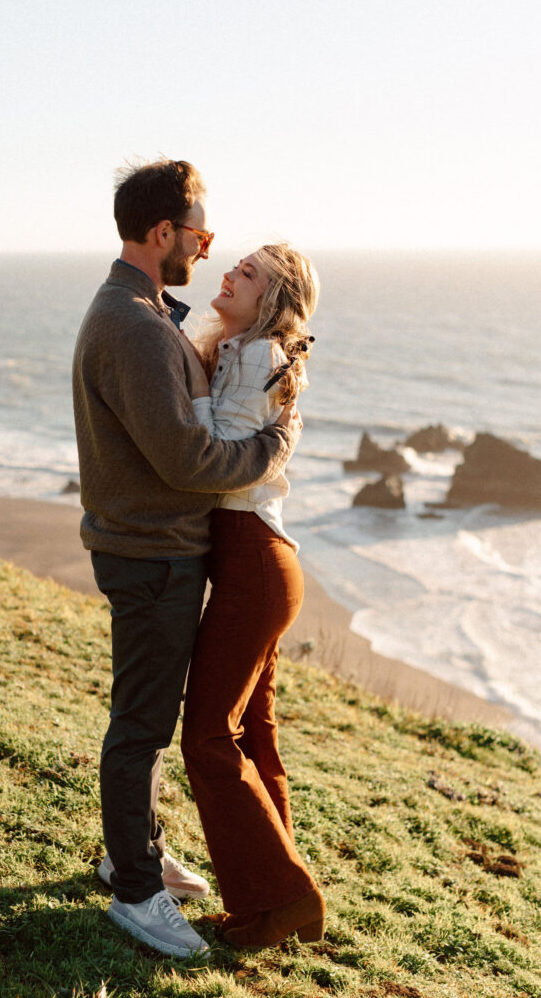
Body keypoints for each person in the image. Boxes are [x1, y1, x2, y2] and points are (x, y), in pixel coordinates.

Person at [72, 159, 300, 959]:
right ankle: (133, 889)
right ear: (163, 232)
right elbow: (186, 461)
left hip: (152, 548)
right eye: (200, 235)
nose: (206, 251)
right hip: (150, 555)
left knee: (150, 720)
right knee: (140, 725)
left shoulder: (140, 312)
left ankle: (134, 853)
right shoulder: (135, 326)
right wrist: (269, 451)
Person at [178, 243, 326, 948]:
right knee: (250, 735)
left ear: (271, 298)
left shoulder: (255, 356)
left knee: (206, 736)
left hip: (251, 564)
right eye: (233, 265)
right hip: (258, 562)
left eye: (248, 273)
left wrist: (188, 396)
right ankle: (274, 906)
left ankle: (285, 897)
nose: (229, 275)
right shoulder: (245, 350)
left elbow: (216, 462)